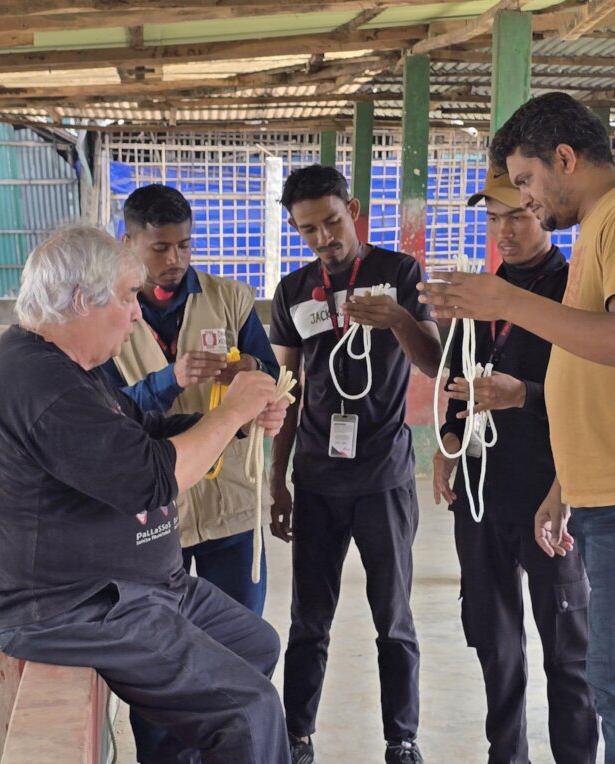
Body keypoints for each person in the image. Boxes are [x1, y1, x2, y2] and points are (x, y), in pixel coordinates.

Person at [418, 92, 615, 764]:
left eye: (526, 182)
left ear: (564, 158)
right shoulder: (604, 225)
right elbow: (593, 372)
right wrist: (569, 486)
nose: (526, 201)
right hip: (613, 481)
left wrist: (507, 301)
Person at [0, 225, 292, 764]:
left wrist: (240, 423)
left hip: (139, 587)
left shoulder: (70, 368)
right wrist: (230, 413)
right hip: (75, 605)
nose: (136, 313)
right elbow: (151, 481)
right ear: (81, 300)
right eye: (127, 297)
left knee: (255, 645)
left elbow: (146, 431)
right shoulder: (39, 384)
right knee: (250, 710)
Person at [98, 184, 281, 761]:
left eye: (184, 245)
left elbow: (269, 378)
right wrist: (170, 379)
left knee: (239, 653)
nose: (175, 258)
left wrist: (252, 380)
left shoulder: (231, 299)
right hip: (153, 521)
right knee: (158, 666)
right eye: (159, 248)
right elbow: (108, 412)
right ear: (128, 243)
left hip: (231, 506)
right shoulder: (108, 315)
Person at [268, 165, 441, 764]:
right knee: (308, 621)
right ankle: (297, 737)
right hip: (317, 478)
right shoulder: (293, 290)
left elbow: (433, 361)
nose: (324, 238)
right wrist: (278, 481)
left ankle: (402, 740)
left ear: (354, 210)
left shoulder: (400, 273)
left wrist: (397, 319)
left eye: (333, 222)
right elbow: (287, 389)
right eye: (308, 229)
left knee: (393, 618)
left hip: (383, 477)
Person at [433, 168, 598, 764]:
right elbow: (459, 378)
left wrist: (522, 394)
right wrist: (449, 439)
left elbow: (595, 395)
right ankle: (506, 755)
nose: (504, 231)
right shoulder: (481, 293)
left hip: (551, 489)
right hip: (482, 487)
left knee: (567, 651)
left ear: (543, 215)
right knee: (495, 643)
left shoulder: (575, 292)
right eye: (493, 219)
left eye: (517, 216)